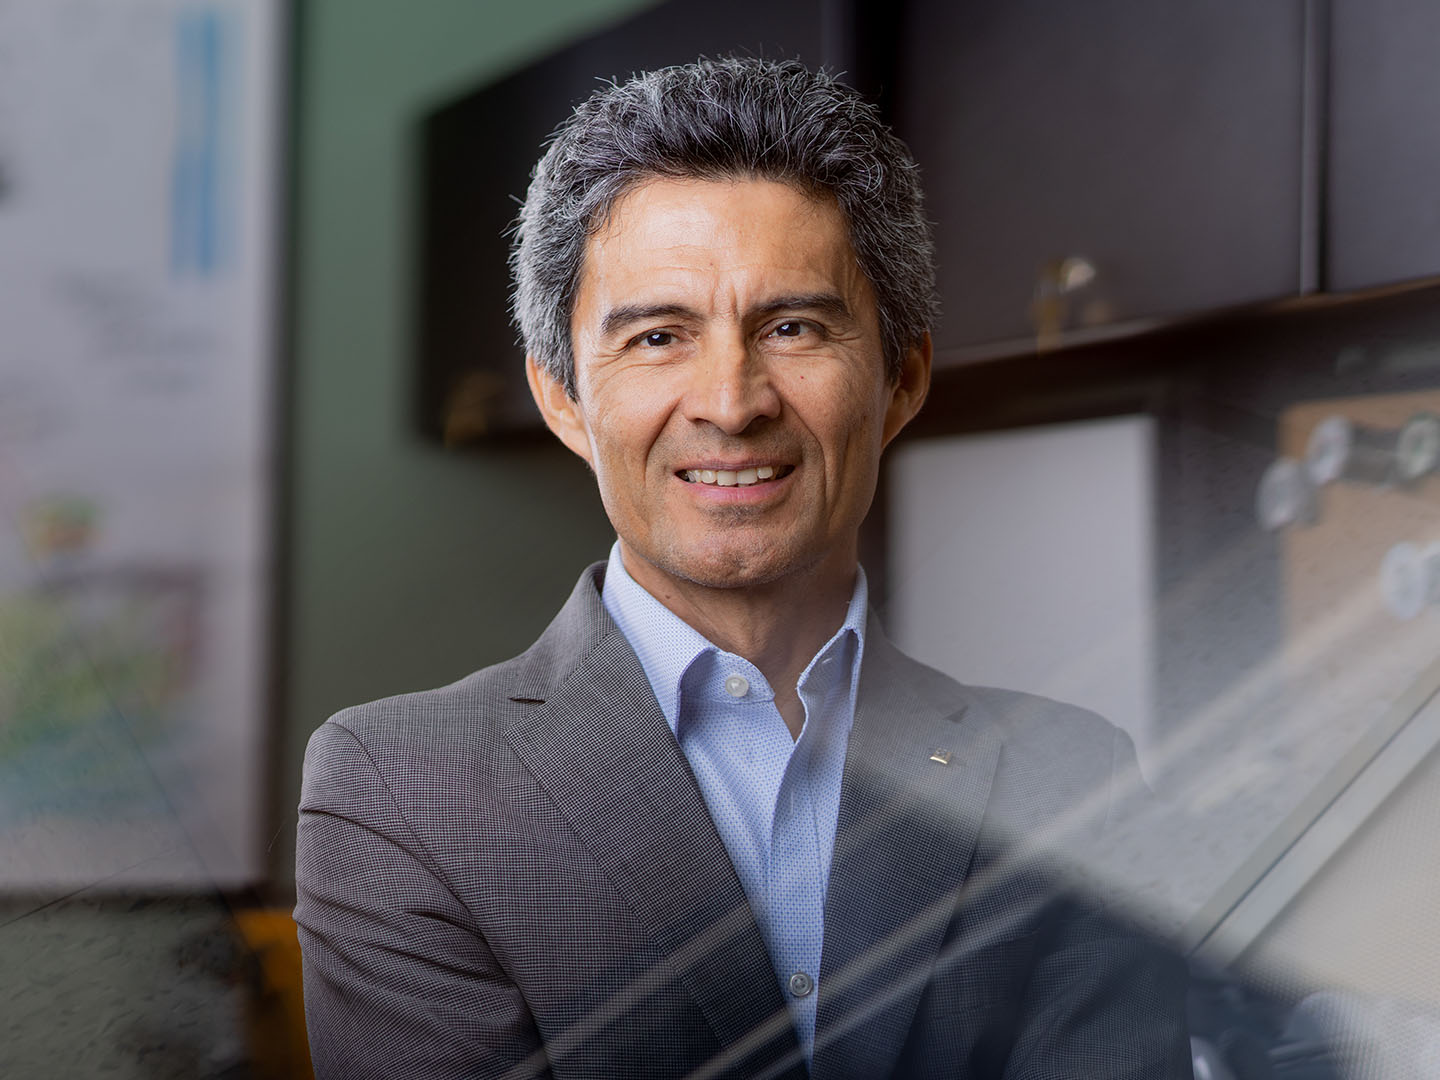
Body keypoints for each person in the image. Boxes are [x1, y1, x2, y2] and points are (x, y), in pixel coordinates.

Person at [294, 57, 1190, 1079]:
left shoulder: (1071, 776)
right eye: (659, 336)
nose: (731, 402)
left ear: (902, 381)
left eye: (792, 327)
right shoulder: (403, 789)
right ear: (563, 400)